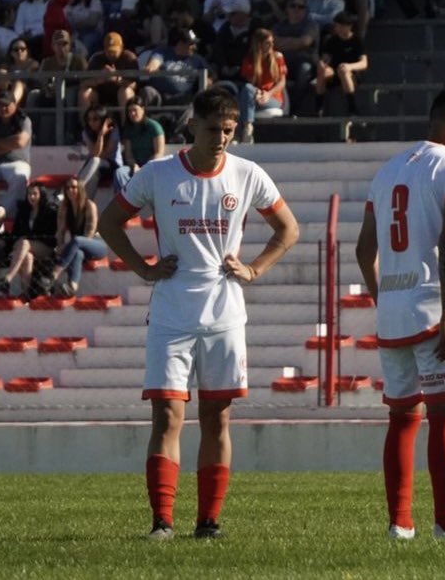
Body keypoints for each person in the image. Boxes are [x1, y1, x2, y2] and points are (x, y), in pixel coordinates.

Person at [96, 87, 300, 540]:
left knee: (217, 418)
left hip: (225, 313)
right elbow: (108, 222)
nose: (222, 138)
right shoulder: (159, 174)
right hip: (171, 312)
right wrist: (143, 268)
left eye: (229, 130)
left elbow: (288, 228)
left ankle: (208, 522)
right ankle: (162, 522)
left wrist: (254, 269)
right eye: (213, 129)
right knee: (167, 416)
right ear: (193, 127)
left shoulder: (248, 174)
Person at [355, 86, 445, 539]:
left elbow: (363, 249)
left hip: (394, 310)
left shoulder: (388, 170)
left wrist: (384, 298)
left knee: (403, 418)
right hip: (435, 307)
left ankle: (400, 525)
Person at [0, 181, 59, 299]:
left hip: (45, 247)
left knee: (24, 243)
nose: (32, 197)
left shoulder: (50, 211)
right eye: (29, 194)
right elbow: (16, 233)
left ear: (41, 194)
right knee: (28, 257)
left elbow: (51, 236)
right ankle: (26, 293)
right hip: (25, 248)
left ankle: (8, 279)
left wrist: (27, 239)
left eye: (35, 194)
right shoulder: (23, 211)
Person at [49, 177, 107, 297]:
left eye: (74, 187)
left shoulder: (89, 205)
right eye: (68, 188)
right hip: (79, 246)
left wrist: (71, 246)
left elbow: (90, 231)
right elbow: (60, 230)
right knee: (77, 253)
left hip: (96, 243)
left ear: (80, 189)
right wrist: (60, 245)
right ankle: (72, 287)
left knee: (77, 241)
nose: (71, 190)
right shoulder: (64, 207)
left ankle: (54, 274)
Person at [313, 11, 368, 129]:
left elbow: (364, 63)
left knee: (343, 70)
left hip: (351, 74)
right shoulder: (331, 40)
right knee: (322, 70)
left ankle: (353, 109)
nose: (336, 28)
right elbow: (326, 59)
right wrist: (322, 65)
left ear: (347, 26)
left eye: (339, 25)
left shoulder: (357, 41)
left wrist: (349, 66)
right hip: (334, 73)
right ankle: (319, 107)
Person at [237, 27, 287, 143]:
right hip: (255, 96)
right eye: (267, 43)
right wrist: (258, 60)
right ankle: (247, 127)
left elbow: (281, 82)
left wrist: (268, 95)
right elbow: (251, 83)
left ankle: (243, 132)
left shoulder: (278, 57)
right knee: (246, 90)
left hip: (273, 98)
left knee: (244, 97)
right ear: (259, 44)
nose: (271, 45)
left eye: (272, 42)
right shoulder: (249, 59)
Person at [76, 105, 124, 196]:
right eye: (89, 119)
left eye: (95, 119)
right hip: (97, 168)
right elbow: (95, 153)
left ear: (103, 119)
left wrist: (101, 135)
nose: (91, 122)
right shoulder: (86, 132)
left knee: (95, 160)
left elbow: (101, 155)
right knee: (93, 176)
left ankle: (76, 187)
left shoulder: (113, 130)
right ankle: (85, 205)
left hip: (112, 167)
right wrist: (100, 136)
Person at [119, 98, 167, 187]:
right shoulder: (128, 130)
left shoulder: (154, 127)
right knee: (120, 172)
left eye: (135, 110)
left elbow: (159, 153)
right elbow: (128, 155)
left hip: (152, 166)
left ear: (143, 109)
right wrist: (134, 166)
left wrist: (144, 168)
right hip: (135, 167)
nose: (132, 114)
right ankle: (125, 198)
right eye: (129, 111)